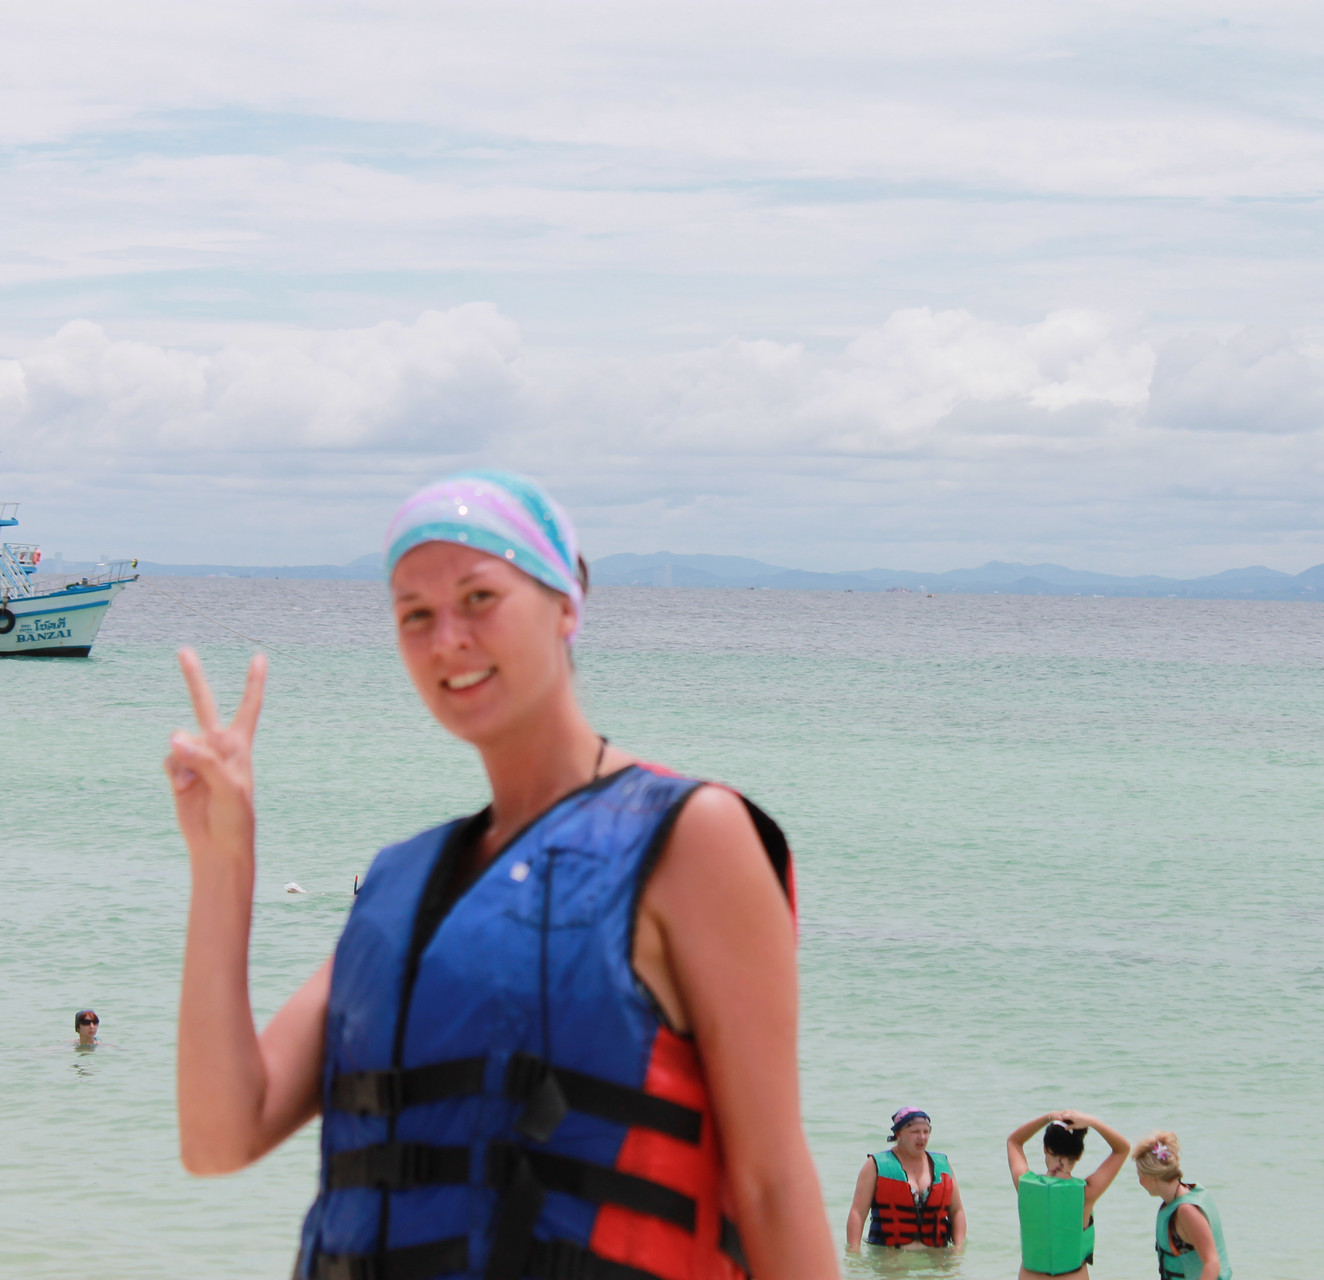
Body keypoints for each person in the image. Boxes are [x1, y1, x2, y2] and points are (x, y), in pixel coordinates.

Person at [166, 471, 836, 1280]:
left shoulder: (692, 839)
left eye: (479, 598)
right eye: (415, 615)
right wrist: (222, 862)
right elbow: (218, 1136)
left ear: (566, 605)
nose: (445, 638)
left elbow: (772, 1188)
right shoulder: (403, 882)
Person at [1005, 1110, 1129, 1279]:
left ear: (1045, 1148)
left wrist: (1048, 1117)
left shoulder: (1024, 1183)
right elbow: (1122, 1149)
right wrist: (1092, 1122)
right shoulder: (1087, 1192)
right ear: (1078, 1155)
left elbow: (1014, 1141)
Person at [846, 1106, 967, 1251]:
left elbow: (957, 1211)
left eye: (926, 1132)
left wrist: (958, 1248)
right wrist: (854, 1252)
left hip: (936, 1255)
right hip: (890, 1256)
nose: (922, 1137)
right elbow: (858, 1213)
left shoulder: (943, 1164)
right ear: (898, 1134)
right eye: (915, 1132)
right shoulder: (875, 1165)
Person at [1133, 1131, 1230, 1280]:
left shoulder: (1187, 1211)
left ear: (1153, 1177)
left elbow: (1212, 1264)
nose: (1139, 1182)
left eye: (1140, 1175)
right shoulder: (1185, 1195)